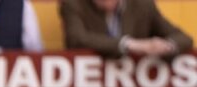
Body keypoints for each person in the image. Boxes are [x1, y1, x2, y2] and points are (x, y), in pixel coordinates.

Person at [59, 0, 192, 56]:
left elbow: (184, 38)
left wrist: (165, 47)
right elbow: (76, 38)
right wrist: (129, 44)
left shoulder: (142, 5)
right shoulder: (73, 3)